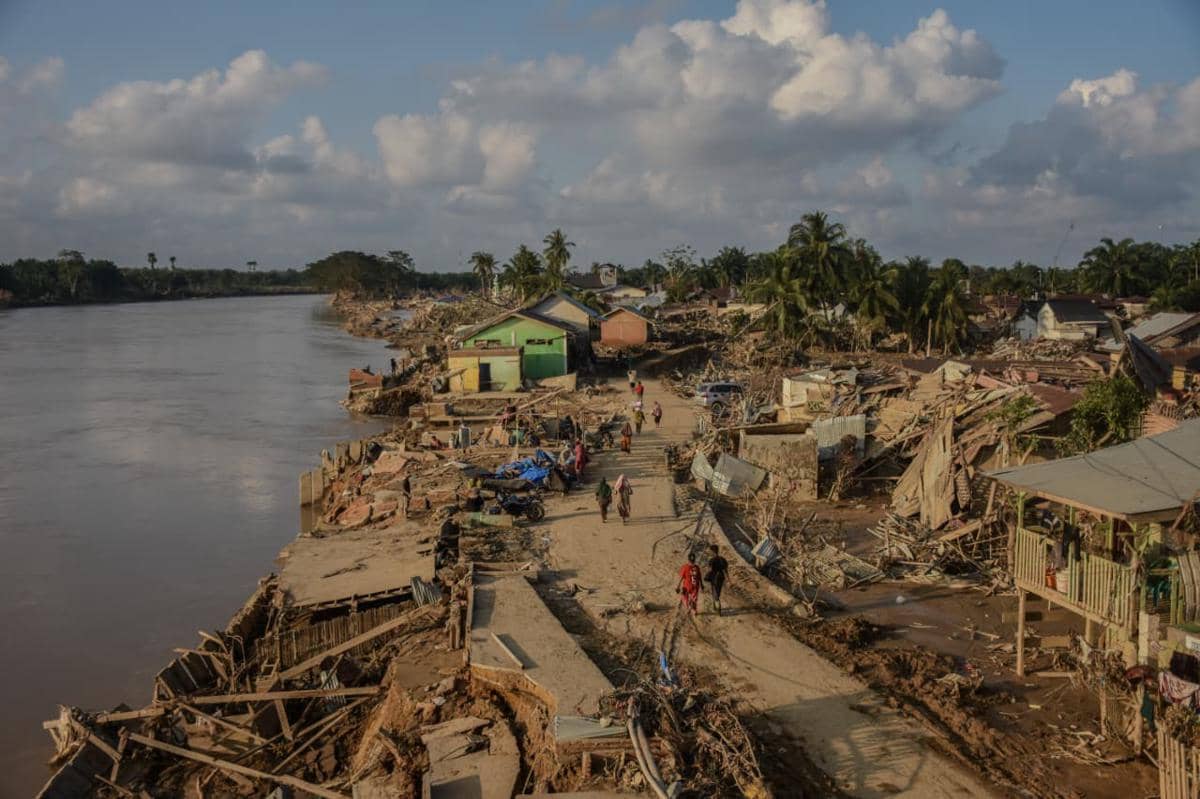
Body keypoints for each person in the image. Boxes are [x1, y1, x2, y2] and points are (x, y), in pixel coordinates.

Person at [705, 544, 729, 615]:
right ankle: (715, 605)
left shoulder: (711, 560)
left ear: (712, 551)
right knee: (717, 591)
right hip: (721, 578)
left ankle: (718, 607)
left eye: (710, 551)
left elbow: (710, 569)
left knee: (714, 592)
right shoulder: (722, 559)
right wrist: (728, 579)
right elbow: (725, 570)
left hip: (714, 577)